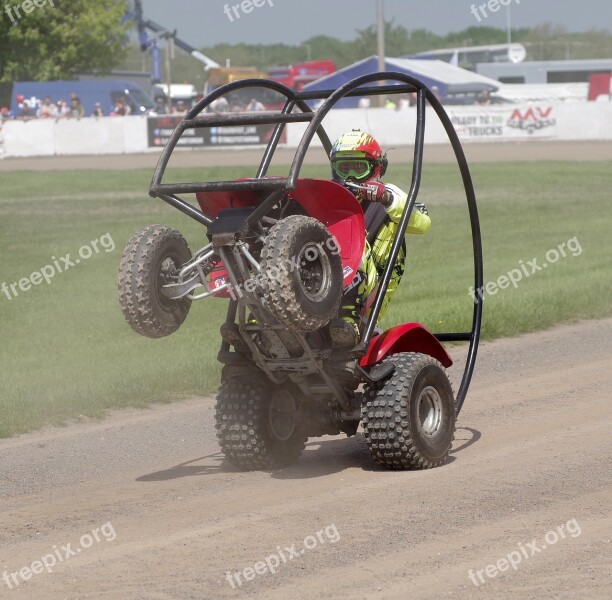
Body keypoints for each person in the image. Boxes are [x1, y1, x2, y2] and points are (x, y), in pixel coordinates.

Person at [328, 129, 431, 347]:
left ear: (377, 168)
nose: (351, 177)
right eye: (344, 168)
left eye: (358, 168)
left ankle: (350, 319)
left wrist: (385, 198)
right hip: (327, 283)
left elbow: (423, 223)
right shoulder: (327, 199)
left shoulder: (390, 195)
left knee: (353, 240)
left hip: (371, 288)